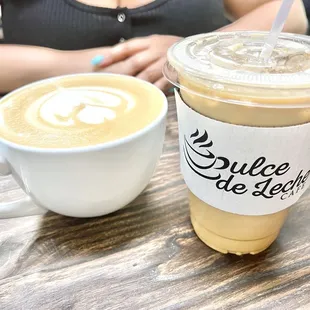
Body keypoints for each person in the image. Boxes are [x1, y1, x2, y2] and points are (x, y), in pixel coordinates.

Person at [0, 0, 308, 94]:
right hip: (35, 155)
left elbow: (290, 12)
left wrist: (195, 52)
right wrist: (83, 67)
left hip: (204, 144)